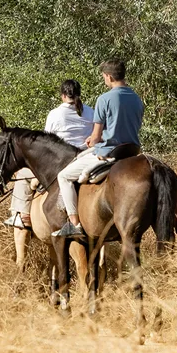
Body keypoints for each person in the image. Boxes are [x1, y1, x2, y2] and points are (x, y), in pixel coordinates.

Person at [52, 60, 144, 238]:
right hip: (132, 152)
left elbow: (95, 137)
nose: (104, 80)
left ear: (109, 76)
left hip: (109, 152)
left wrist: (92, 140)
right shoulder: (136, 98)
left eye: (104, 77)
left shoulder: (105, 99)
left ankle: (74, 224)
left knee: (63, 176)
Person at [4, 79, 95, 229]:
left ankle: (23, 216)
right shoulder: (91, 111)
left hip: (61, 161)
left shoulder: (55, 114)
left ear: (63, 95)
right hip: (86, 157)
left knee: (22, 175)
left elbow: (48, 142)